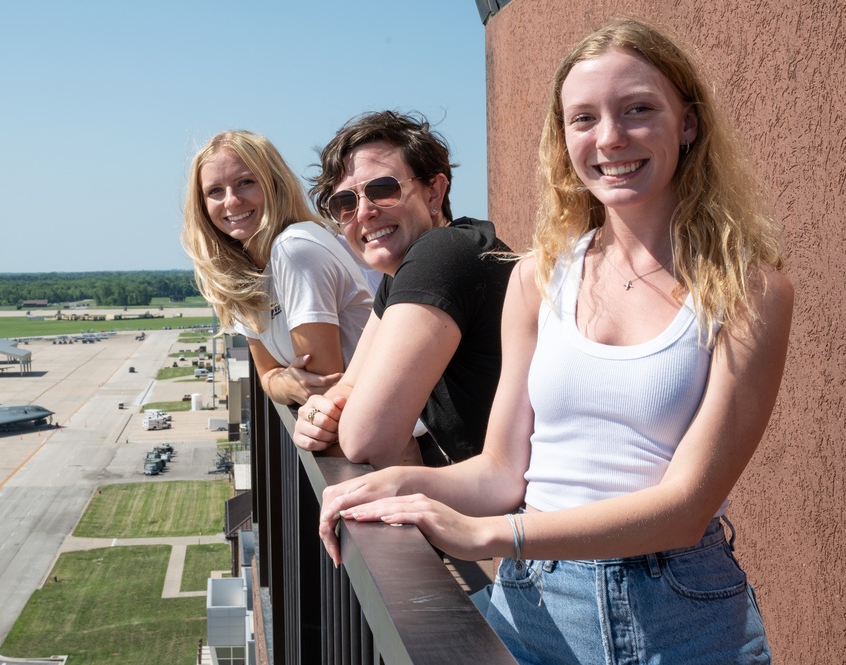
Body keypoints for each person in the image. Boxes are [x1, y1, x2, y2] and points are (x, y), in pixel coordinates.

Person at [317, 18, 793, 664]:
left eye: (637, 110)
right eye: (583, 119)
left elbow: (686, 505)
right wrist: (397, 484)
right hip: (535, 609)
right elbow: (500, 470)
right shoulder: (538, 279)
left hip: (683, 615)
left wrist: (491, 532)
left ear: (686, 123)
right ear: (561, 137)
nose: (610, 138)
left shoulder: (748, 289)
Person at [292, 111, 514, 468]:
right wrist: (319, 412)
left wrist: (344, 420)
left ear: (434, 192)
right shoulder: (402, 274)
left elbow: (366, 438)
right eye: (344, 203)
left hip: (520, 515)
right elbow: (348, 388)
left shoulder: (443, 254)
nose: (363, 212)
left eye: (382, 190)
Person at [182, 130, 373, 406]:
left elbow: (323, 389)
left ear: (274, 183)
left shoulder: (294, 248)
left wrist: (284, 382)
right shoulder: (243, 272)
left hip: (394, 434)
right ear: (202, 206)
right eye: (215, 191)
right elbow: (268, 375)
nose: (232, 201)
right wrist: (282, 382)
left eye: (245, 182)